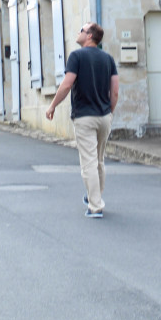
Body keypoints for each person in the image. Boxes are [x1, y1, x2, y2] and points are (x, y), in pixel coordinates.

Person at [46, 22, 119, 218]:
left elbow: (67, 84)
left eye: (82, 30)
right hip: (104, 116)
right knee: (99, 161)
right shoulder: (108, 59)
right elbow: (115, 91)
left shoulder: (76, 56)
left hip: (84, 116)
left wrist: (52, 105)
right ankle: (93, 195)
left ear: (89, 36)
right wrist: (109, 113)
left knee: (88, 163)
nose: (78, 32)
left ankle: (95, 206)